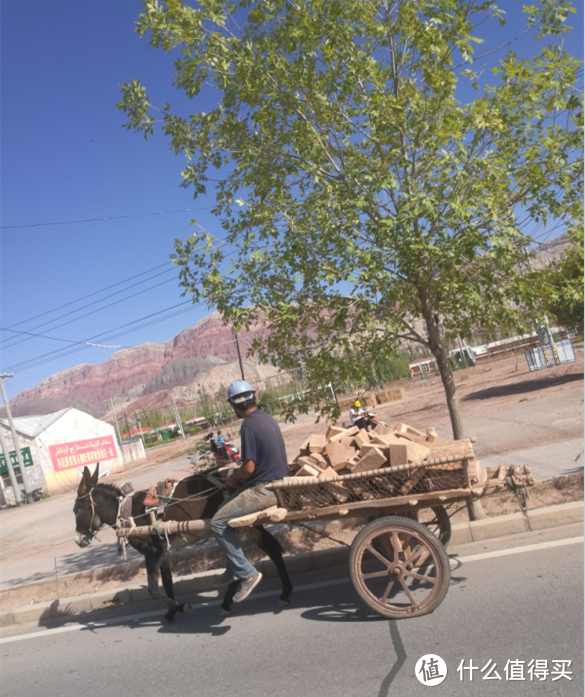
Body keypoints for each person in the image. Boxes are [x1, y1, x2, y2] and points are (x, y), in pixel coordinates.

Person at [211, 379, 288, 602]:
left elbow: (249, 467)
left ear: (233, 407)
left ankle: (247, 574)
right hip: (277, 483)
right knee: (224, 508)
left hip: (264, 490)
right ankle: (233, 565)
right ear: (255, 398)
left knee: (217, 522)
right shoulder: (267, 419)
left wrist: (233, 479)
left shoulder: (248, 425)